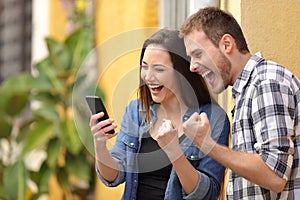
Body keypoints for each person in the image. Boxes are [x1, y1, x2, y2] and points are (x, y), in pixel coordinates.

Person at [89, 28, 230, 200]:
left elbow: (206, 193)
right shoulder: (137, 111)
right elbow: (113, 176)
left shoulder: (213, 119)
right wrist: (100, 145)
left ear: (181, 71)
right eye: (145, 67)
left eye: (159, 69)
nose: (148, 77)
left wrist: (173, 151)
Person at [180, 6, 300, 199]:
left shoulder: (266, 82)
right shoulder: (247, 90)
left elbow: (274, 174)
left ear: (227, 44)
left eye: (198, 54)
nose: (192, 67)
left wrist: (206, 144)